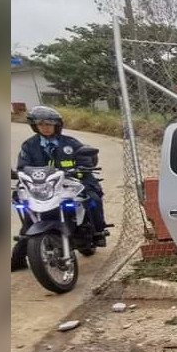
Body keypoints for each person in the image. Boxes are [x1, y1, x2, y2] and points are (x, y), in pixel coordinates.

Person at [12, 106, 106, 269]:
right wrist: (20, 174)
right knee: (28, 214)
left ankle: (98, 232)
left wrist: (82, 169)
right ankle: (18, 259)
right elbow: (23, 166)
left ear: (57, 125)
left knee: (93, 199)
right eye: (40, 124)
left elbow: (86, 160)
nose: (45, 127)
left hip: (72, 182)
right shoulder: (29, 146)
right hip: (43, 187)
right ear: (35, 126)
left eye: (49, 124)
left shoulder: (70, 143)